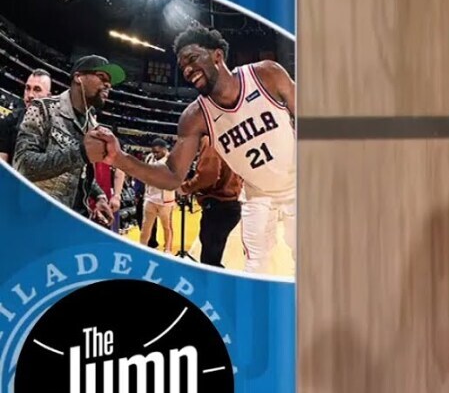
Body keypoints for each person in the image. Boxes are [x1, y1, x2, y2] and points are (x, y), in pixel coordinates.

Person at [87, 25, 295, 273]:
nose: (186, 69)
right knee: (255, 266)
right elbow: (172, 175)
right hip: (257, 195)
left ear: (217, 55)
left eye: (192, 58)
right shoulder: (195, 117)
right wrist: (119, 158)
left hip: (300, 184)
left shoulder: (266, 74)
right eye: (182, 65)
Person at [14, 56, 120, 225]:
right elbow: (23, 165)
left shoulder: (92, 125)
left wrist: (99, 196)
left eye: (109, 81)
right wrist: (81, 153)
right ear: (78, 77)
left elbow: (80, 173)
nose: (108, 84)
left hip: (75, 220)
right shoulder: (43, 108)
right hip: (41, 220)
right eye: (102, 77)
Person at [179, 133, 243, 267]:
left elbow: (208, 175)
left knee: (210, 260)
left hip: (218, 204)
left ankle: (211, 280)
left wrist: (185, 188)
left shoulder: (210, 140)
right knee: (214, 254)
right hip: (231, 202)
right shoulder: (228, 136)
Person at [0, 68, 52, 163]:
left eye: (37, 89)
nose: (30, 95)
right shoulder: (9, 121)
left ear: (48, 97)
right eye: (27, 88)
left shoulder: (54, 131)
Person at [138, 139, 175, 253]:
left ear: (164, 149)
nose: (155, 154)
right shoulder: (149, 158)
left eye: (157, 152)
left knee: (167, 227)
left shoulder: (172, 160)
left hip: (166, 200)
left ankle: (167, 250)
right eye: (153, 152)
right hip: (150, 198)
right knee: (145, 227)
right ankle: (142, 249)